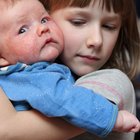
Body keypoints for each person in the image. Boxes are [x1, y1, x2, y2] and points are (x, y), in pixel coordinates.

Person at [0, 0, 139, 140]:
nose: (96, 40)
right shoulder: (33, 76)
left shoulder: (112, 82)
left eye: (109, 26)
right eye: (78, 22)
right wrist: (114, 118)